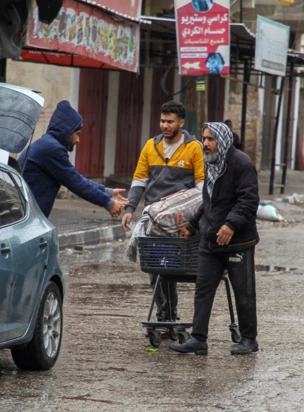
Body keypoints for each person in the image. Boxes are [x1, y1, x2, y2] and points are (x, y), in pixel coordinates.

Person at [169, 122, 259, 356]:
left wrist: (230, 224)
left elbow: (248, 201)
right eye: (204, 139)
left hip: (238, 242)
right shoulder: (211, 164)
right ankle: (198, 338)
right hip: (210, 241)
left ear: (223, 140)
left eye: (210, 139)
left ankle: (249, 339)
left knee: (244, 291)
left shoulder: (242, 164)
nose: (205, 144)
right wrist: (192, 225)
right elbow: (208, 202)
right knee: (203, 288)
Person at [121, 101, 205, 322]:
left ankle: (169, 314)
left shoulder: (194, 148)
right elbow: (139, 180)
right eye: (162, 121)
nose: (165, 125)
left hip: (179, 220)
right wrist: (130, 209)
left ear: (181, 122)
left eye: (170, 121)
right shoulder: (151, 145)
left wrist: (187, 215)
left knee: (171, 268)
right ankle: (164, 314)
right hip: (154, 218)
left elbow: (201, 189)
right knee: (155, 268)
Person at [19, 100, 128, 218]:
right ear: (67, 131)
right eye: (77, 134)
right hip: (28, 215)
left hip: (29, 213)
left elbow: (76, 178)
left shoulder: (49, 144)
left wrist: (108, 192)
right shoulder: (52, 149)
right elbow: (76, 183)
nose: (78, 140)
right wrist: (108, 203)